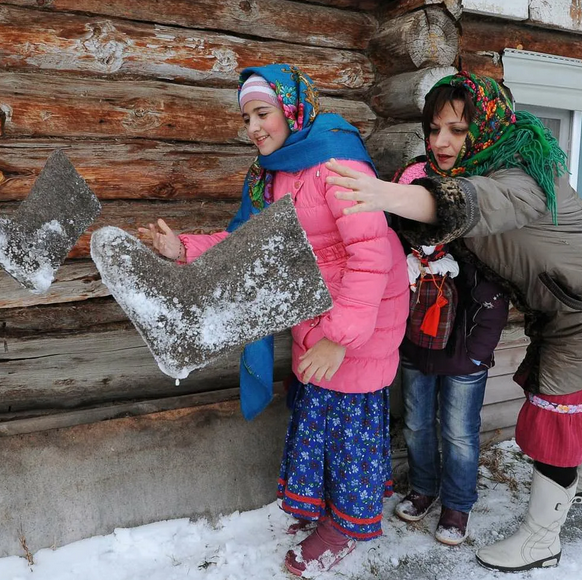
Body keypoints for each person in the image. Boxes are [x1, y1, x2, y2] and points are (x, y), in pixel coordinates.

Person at [324, 71, 582, 572]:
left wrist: (382, 196)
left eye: (456, 129)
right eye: (434, 129)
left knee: (557, 406)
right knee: (580, 393)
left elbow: (471, 202)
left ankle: (542, 540)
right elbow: (438, 205)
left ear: (488, 123)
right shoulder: (483, 163)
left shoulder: (520, 175)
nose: (441, 141)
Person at [139, 64, 409, 576]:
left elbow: (371, 255)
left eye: (262, 113)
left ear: (291, 108)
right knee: (318, 418)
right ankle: (327, 509)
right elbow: (249, 246)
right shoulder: (277, 174)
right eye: (246, 118)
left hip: (359, 322)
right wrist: (184, 249)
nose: (254, 127)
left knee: (348, 427)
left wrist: (340, 340)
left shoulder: (338, 164)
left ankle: (348, 524)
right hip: (317, 316)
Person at [391, 160, 510, 546]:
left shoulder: (471, 242)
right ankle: (424, 488)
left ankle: (458, 503)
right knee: (417, 424)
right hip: (416, 350)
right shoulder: (402, 244)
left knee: (458, 432)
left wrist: (478, 352)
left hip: (463, 354)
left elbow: (493, 299)